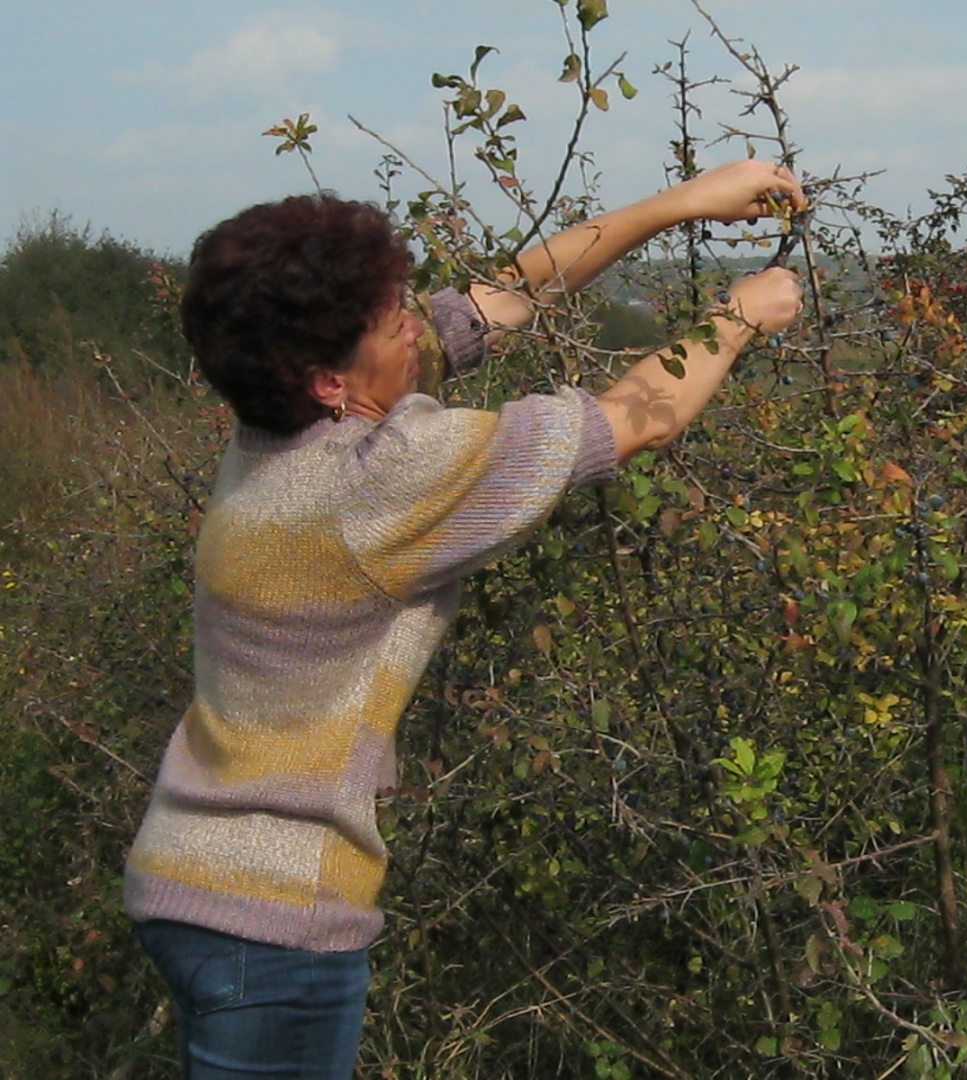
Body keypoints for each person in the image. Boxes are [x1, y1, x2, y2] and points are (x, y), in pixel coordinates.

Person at [124, 159, 805, 1079]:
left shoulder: (277, 433)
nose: (419, 320)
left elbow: (501, 298)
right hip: (275, 922)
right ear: (330, 379)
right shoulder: (375, 484)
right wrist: (740, 314)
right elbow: (636, 420)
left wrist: (683, 202)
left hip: (193, 888)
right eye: (394, 314)